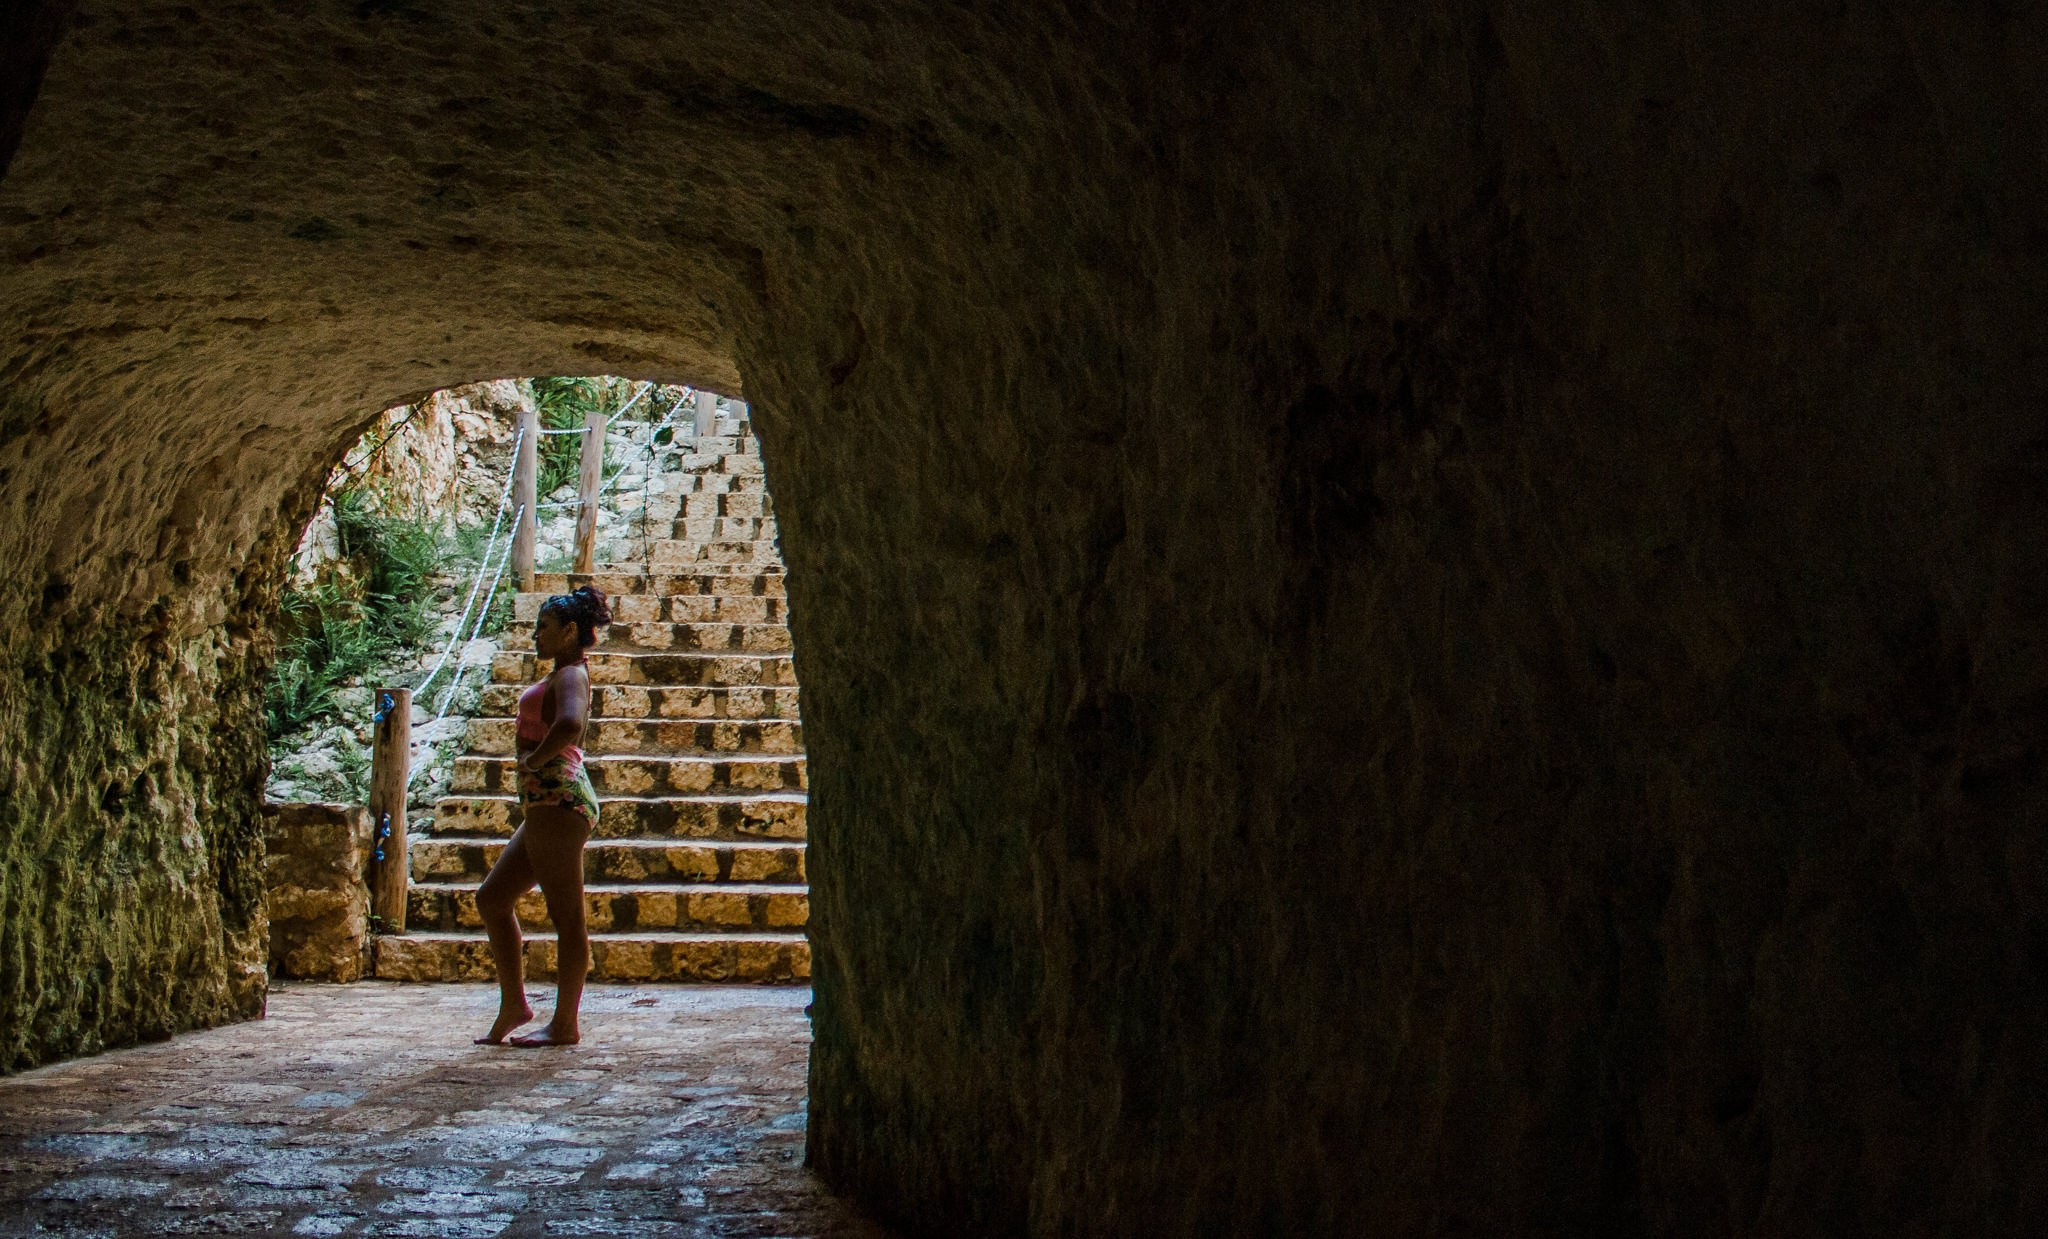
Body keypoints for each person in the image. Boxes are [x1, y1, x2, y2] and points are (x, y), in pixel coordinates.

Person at [475, 584, 610, 1046]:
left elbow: (571, 723)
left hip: (559, 802)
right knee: (492, 899)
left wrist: (534, 761)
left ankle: (565, 1024)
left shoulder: (572, 674)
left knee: (566, 918)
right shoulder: (561, 672)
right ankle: (515, 1004)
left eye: (544, 628)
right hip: (544, 806)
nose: (536, 635)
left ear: (570, 630)